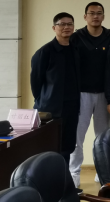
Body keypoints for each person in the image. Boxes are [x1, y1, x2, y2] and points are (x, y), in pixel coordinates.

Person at [70, 2, 110, 187]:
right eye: (92, 13)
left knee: (103, 138)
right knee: (77, 138)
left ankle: (102, 174)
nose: (95, 16)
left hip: (104, 95)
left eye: (99, 13)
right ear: (85, 17)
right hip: (81, 94)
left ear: (103, 16)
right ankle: (74, 176)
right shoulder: (76, 37)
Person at [30, 13, 80, 166]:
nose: (66, 27)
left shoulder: (76, 49)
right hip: (51, 108)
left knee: (67, 146)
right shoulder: (44, 52)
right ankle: (49, 178)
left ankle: (64, 178)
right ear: (54, 28)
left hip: (71, 106)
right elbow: (35, 81)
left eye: (69, 24)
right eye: (62, 24)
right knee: (49, 147)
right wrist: (43, 100)